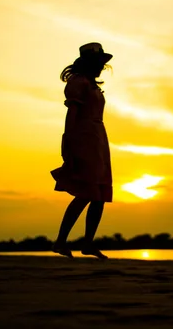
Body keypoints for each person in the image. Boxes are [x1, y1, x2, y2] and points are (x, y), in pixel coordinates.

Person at [50, 42, 114, 260]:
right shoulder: (78, 83)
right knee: (86, 192)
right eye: (98, 63)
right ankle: (60, 241)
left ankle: (87, 243)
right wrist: (69, 142)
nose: (101, 68)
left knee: (100, 193)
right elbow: (72, 115)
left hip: (97, 139)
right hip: (84, 138)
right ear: (88, 63)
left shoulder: (92, 85)